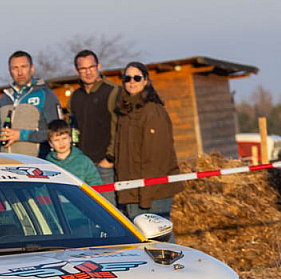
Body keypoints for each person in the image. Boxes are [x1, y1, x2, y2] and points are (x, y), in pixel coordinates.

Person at [112, 62, 182, 221]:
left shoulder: (153, 111)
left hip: (153, 193)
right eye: (127, 78)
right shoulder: (125, 112)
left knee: (157, 234)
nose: (132, 82)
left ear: (145, 81)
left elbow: (157, 157)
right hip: (131, 191)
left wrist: (146, 196)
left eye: (137, 78)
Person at [67, 49, 120, 193]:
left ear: (99, 66)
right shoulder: (75, 96)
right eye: (83, 69)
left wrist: (110, 158)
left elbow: (120, 127)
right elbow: (71, 127)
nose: (88, 72)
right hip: (82, 165)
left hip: (105, 166)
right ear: (77, 71)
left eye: (91, 67)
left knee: (107, 205)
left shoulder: (112, 91)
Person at [0, 51, 60, 156]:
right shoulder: (5, 97)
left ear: (32, 68)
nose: (20, 72)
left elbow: (57, 133)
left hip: (36, 161)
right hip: (7, 162)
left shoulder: (45, 94)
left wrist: (22, 135)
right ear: (10, 71)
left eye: (23, 67)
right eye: (15, 68)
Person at [44, 119, 102, 187]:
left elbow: (96, 185)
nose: (61, 143)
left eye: (64, 138)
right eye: (56, 140)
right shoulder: (47, 164)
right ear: (50, 143)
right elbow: (42, 188)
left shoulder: (84, 161)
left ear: (70, 138)